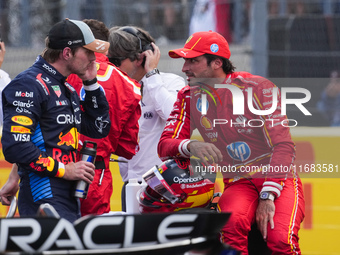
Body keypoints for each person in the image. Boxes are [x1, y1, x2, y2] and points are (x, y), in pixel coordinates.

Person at [157, 31, 305, 254]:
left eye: (193, 60)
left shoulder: (258, 88)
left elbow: (284, 146)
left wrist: (268, 195)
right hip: (238, 181)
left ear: (217, 62)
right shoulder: (188, 95)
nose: (184, 68)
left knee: (281, 240)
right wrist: (191, 146)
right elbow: (165, 145)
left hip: (277, 179)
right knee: (230, 230)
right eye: (185, 60)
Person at [0, 19, 111, 222]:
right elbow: (16, 146)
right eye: (88, 52)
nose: (94, 58)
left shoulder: (66, 88)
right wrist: (64, 170)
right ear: (67, 53)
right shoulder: (28, 84)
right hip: (44, 196)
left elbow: (98, 128)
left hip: (67, 195)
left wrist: (91, 83)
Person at [107, 26, 185, 211]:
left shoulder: (170, 82)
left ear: (142, 57)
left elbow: (174, 116)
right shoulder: (113, 87)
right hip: (130, 184)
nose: (111, 66)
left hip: (165, 185)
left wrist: (151, 76)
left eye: (115, 60)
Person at [68, 19, 141, 216]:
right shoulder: (129, 85)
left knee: (48, 236)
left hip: (53, 168)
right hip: (94, 172)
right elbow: (128, 147)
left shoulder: (57, 72)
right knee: (91, 237)